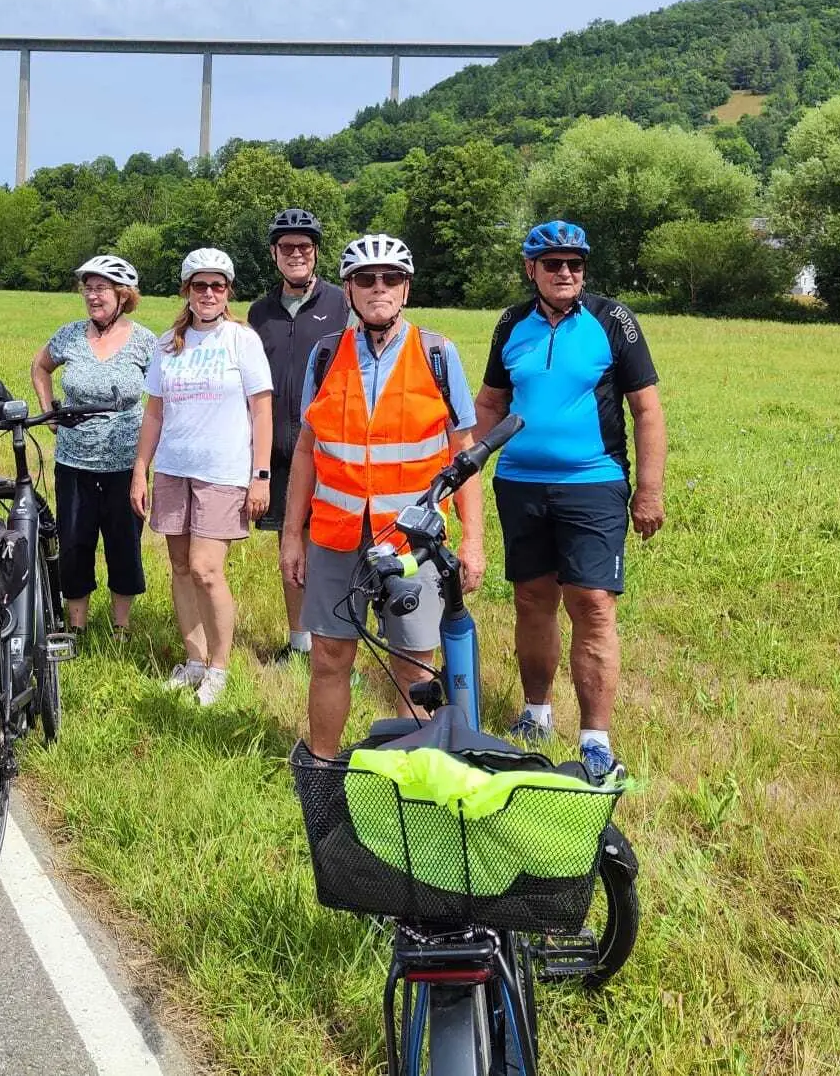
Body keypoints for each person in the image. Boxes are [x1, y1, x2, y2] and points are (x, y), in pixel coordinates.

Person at [471, 220, 666, 783]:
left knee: (594, 604)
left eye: (575, 264)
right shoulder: (511, 322)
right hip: (521, 483)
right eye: (553, 263)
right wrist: (476, 462)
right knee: (532, 599)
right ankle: (535, 714)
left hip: (594, 482)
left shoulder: (613, 321)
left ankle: (595, 738)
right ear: (531, 269)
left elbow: (647, 410)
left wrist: (648, 490)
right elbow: (490, 401)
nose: (565, 273)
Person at [278, 235, 485, 759]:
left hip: (412, 542)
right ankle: (323, 766)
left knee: (414, 664)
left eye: (390, 278)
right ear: (348, 289)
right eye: (366, 279)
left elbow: (464, 456)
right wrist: (290, 537)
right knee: (329, 656)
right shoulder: (327, 355)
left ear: (406, 288)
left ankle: (410, 778)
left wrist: (475, 542)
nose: (379, 288)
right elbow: (307, 449)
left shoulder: (437, 354)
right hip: (336, 535)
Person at [130, 248, 273, 707]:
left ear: (228, 292)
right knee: (178, 567)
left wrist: (261, 475)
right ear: (186, 291)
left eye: (217, 286)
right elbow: (153, 413)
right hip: (173, 468)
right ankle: (193, 660)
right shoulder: (168, 343)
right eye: (199, 285)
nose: (208, 294)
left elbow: (262, 408)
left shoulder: (240, 340)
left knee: (207, 570)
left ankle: (219, 667)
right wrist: (140, 471)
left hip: (223, 472)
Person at [29, 256, 156, 638]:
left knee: (124, 544)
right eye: (88, 287)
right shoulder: (69, 336)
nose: (92, 295)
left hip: (125, 466)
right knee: (74, 543)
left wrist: (147, 460)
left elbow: (162, 399)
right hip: (74, 463)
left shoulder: (146, 342)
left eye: (101, 288)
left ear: (123, 295)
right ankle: (77, 627)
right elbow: (40, 367)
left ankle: (121, 628)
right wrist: (49, 410)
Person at [247, 207, 349, 664]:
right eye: (286, 248)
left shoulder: (341, 304)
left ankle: (339, 638)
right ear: (273, 254)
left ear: (315, 253)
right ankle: (299, 642)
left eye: (304, 248)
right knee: (291, 545)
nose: (296, 255)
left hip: (330, 445)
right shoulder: (259, 312)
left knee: (331, 548)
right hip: (279, 448)